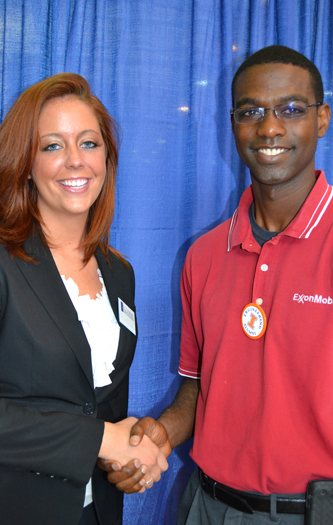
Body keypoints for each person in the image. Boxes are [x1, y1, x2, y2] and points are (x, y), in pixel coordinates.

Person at [102, 45, 333, 523]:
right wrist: (161, 434)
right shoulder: (205, 255)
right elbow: (199, 388)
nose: (270, 128)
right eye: (250, 111)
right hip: (206, 506)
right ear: (233, 123)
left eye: (291, 110)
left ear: (322, 120)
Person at [0, 73, 168, 525]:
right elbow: (91, 428)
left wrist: (127, 447)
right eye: (53, 146)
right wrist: (96, 441)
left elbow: (95, 402)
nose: (76, 161)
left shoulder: (119, 273)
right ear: (25, 162)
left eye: (89, 143)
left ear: (107, 159)